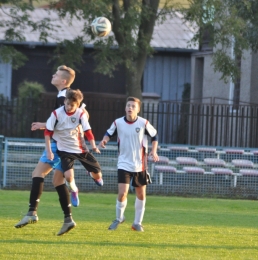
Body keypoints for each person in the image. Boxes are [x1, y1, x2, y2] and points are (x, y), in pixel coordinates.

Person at [14, 65, 103, 234]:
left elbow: (81, 116)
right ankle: (68, 219)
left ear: (63, 80)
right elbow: (78, 115)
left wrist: (45, 126)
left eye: (55, 74)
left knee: (38, 174)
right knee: (57, 181)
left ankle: (32, 212)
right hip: (65, 144)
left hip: (59, 145)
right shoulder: (64, 95)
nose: (52, 76)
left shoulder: (64, 95)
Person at [44, 88, 102, 235]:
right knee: (69, 176)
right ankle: (74, 190)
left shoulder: (81, 114)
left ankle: (93, 174)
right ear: (64, 101)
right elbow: (47, 132)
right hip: (64, 150)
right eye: (68, 103)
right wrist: (49, 150)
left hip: (81, 149)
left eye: (72, 105)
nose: (69, 107)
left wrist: (94, 146)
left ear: (78, 105)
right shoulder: (56, 113)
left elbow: (88, 131)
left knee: (98, 175)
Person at [99, 96, 159, 232]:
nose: (130, 108)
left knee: (141, 194)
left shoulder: (143, 123)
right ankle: (119, 218)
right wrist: (104, 140)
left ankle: (137, 223)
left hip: (140, 164)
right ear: (125, 108)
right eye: (128, 105)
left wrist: (154, 151)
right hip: (123, 163)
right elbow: (108, 133)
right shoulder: (118, 122)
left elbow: (154, 136)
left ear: (138, 109)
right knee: (122, 193)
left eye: (133, 106)